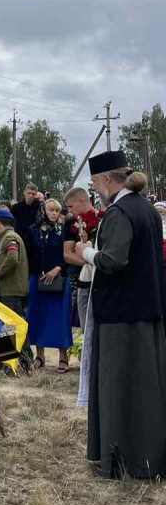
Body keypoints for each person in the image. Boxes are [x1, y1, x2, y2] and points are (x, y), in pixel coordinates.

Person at [71, 151, 166, 479]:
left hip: (121, 317)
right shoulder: (148, 211)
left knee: (119, 387)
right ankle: (149, 459)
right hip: (147, 311)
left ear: (108, 180)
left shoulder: (119, 212)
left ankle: (121, 461)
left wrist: (87, 253)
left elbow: (114, 260)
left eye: (96, 183)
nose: (95, 189)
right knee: (147, 389)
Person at [25, 198, 72, 373]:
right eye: (50, 210)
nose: (53, 213)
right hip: (37, 278)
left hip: (59, 278)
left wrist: (56, 269)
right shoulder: (32, 231)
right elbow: (28, 256)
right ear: (43, 211)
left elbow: (68, 255)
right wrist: (39, 272)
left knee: (60, 318)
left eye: (56, 210)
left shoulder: (63, 231)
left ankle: (63, 356)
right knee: (37, 317)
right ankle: (40, 356)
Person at [0, 207, 34, 373]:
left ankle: (24, 362)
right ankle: (7, 363)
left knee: (14, 327)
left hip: (11, 290)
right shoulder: (9, 237)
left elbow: (13, 259)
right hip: (13, 289)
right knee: (11, 326)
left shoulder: (9, 238)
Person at [62, 187, 102, 330]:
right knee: (84, 324)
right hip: (80, 277)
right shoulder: (70, 223)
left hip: (102, 276)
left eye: (71, 206)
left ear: (82, 200)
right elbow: (67, 254)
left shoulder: (102, 218)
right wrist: (89, 264)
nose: (69, 211)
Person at [11, 184, 40, 260]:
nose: (30, 196)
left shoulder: (39, 207)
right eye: (29, 193)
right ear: (24, 192)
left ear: (36, 194)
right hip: (20, 239)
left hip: (35, 240)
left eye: (33, 194)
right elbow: (11, 223)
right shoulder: (16, 208)